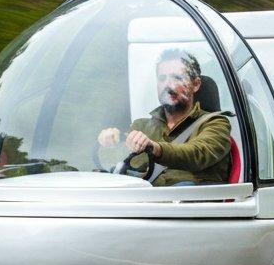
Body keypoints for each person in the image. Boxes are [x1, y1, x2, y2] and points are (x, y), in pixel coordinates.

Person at [97, 48, 231, 186]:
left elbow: (197, 154)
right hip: (145, 204)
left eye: (177, 78)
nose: (168, 85)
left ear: (195, 84)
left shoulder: (216, 123)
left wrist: (156, 148)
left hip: (191, 204)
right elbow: (118, 166)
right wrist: (109, 143)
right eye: (162, 78)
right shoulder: (141, 126)